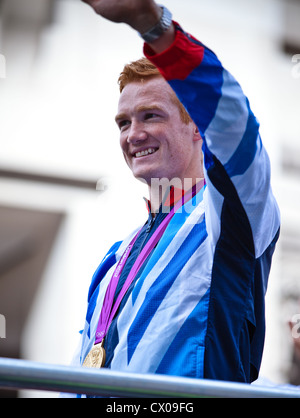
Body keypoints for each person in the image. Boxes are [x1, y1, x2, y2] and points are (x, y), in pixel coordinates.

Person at [72, 0, 280, 395]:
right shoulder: (114, 260)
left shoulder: (228, 222)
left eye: (151, 115)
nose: (133, 134)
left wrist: (153, 25)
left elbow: (232, 121)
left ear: (199, 127)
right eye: (123, 122)